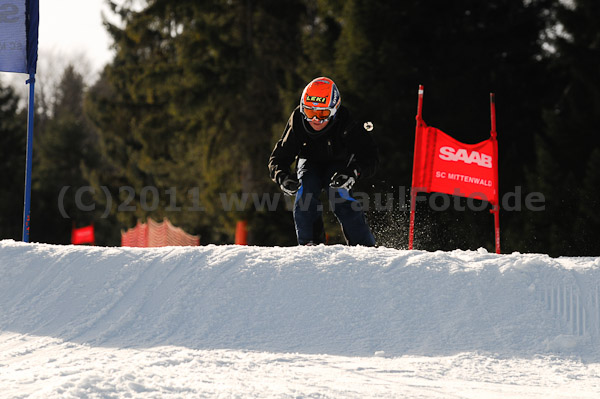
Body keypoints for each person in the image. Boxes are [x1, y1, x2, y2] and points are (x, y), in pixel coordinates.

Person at [268, 77, 378, 246]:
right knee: (305, 190)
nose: (315, 120)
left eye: (323, 114)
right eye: (310, 113)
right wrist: (283, 177)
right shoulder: (298, 120)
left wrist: (353, 172)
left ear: (334, 110)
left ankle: (364, 247)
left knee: (339, 194)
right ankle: (309, 245)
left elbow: (370, 157)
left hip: (339, 162)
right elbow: (279, 157)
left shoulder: (346, 122)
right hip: (309, 161)